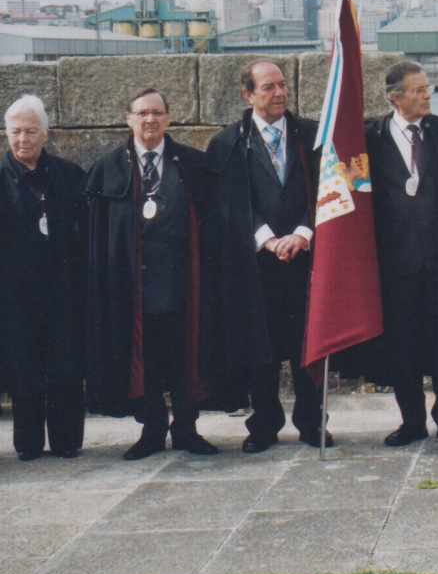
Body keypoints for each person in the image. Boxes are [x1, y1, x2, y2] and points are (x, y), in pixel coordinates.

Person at [84, 89, 218, 459]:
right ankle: (152, 430)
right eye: (142, 113)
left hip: (182, 289)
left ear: (169, 118)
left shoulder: (193, 164)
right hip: (132, 291)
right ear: (128, 119)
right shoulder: (107, 169)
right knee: (145, 364)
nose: (150, 120)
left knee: (184, 361)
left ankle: (187, 429)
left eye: (157, 112)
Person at [203, 60, 328, 453]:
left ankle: (312, 423)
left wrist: (303, 233)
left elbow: (331, 189)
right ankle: (264, 425)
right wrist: (269, 239)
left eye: (282, 85)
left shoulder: (313, 135)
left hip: (306, 261)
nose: (279, 93)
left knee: (309, 347)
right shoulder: (228, 143)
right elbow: (225, 203)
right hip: (254, 266)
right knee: (260, 350)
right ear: (248, 94)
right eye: (269, 87)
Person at [363, 61, 438, 446]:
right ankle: (411, 422)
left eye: (428, 88)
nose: (427, 95)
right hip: (395, 267)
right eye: (418, 90)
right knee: (403, 347)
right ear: (395, 97)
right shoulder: (370, 140)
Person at [0, 95, 86, 460]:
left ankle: (66, 440)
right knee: (24, 369)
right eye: (16, 131)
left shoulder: (69, 175)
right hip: (14, 295)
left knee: (66, 368)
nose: (23, 139)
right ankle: (29, 443)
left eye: (31, 131)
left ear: (46, 133)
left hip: (63, 289)